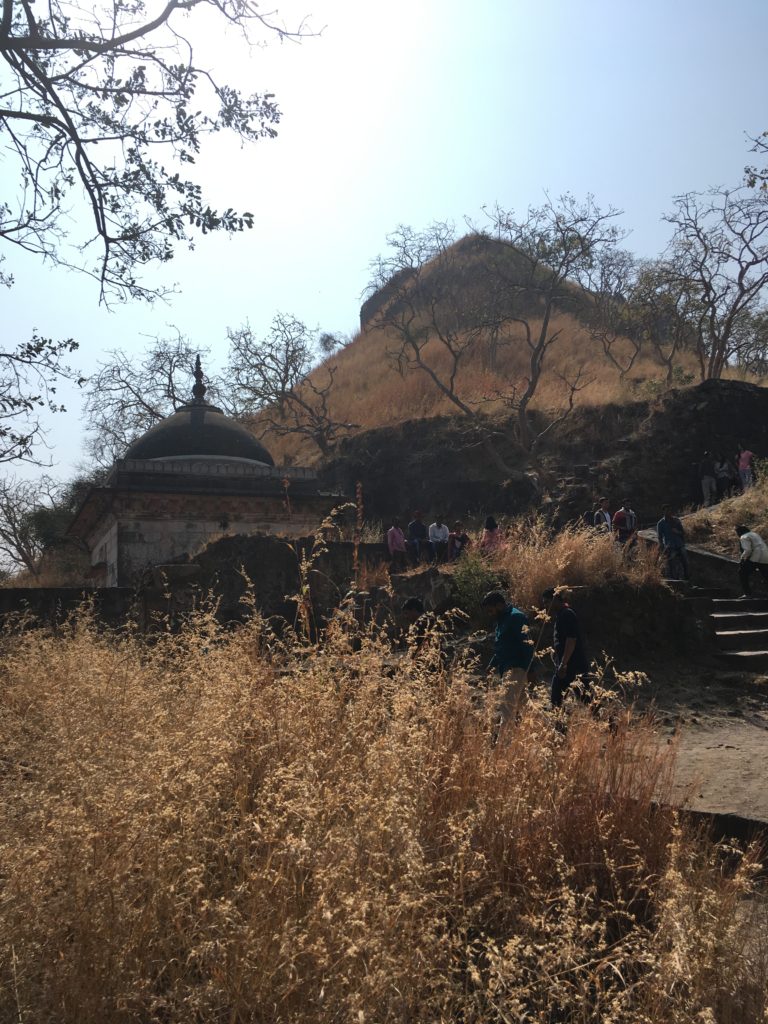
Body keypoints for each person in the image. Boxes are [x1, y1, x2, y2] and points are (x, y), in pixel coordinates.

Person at [481, 591, 536, 723]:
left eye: (491, 610)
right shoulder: (501, 621)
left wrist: (531, 670)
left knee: (506, 709)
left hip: (516, 669)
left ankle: (503, 743)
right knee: (527, 708)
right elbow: (502, 648)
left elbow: (527, 645)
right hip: (507, 669)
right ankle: (554, 735)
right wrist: (492, 664)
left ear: (499, 605)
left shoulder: (516, 617)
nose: (490, 614)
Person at [541, 587, 591, 708]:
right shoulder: (562, 615)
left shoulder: (567, 614)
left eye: (547, 602)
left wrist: (563, 664)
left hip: (573, 666)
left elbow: (571, 640)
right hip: (570, 665)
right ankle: (559, 724)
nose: (546, 606)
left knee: (584, 698)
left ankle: (608, 723)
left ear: (555, 599)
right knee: (584, 698)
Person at [656, 506, 690, 581]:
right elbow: (659, 537)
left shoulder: (676, 520)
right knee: (671, 562)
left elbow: (683, 532)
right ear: (663, 512)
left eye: (669, 510)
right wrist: (662, 546)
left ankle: (687, 578)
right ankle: (674, 579)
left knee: (685, 560)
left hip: (679, 544)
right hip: (670, 545)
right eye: (666, 511)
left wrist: (677, 532)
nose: (668, 512)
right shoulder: (660, 523)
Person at [736, 525, 768, 598]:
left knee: (742, 573)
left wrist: (742, 559)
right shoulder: (755, 534)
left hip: (756, 557)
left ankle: (747, 593)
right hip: (766, 556)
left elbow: (748, 550)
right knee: (766, 575)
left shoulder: (743, 537)